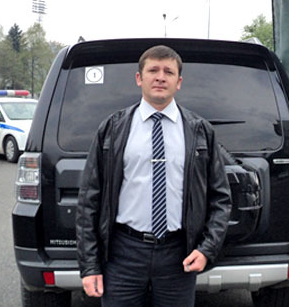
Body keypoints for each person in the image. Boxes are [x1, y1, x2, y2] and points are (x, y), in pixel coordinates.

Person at [76, 45, 232, 307]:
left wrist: (207, 249)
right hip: (123, 253)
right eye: (153, 70)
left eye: (169, 72)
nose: (160, 77)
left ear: (178, 82)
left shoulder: (200, 131)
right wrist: (90, 265)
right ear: (139, 78)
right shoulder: (113, 128)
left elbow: (221, 199)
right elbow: (89, 200)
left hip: (178, 256)